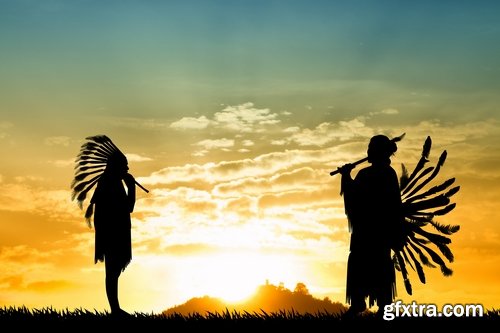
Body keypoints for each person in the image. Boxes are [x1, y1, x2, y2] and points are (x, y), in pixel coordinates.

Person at [337, 135, 404, 318]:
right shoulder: (372, 174)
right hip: (367, 233)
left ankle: (381, 307)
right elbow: (355, 198)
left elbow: (390, 206)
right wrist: (347, 176)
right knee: (365, 265)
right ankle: (359, 303)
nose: (367, 152)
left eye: (370, 148)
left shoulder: (381, 174)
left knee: (377, 267)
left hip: (375, 233)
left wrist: (346, 176)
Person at [89, 152, 136, 316]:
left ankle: (115, 308)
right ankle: (115, 309)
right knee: (112, 271)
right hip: (113, 233)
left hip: (112, 231)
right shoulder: (110, 183)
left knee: (113, 271)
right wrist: (132, 188)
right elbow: (127, 207)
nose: (128, 168)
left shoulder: (108, 181)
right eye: (125, 165)